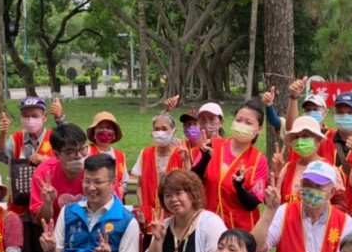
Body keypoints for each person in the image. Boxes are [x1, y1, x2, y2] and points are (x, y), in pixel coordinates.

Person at [191, 98, 269, 232]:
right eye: (238, 120)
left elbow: (252, 203)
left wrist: (239, 187)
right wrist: (204, 160)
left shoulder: (258, 160)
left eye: (248, 123)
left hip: (239, 232)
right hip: (208, 226)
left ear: (259, 129)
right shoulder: (213, 146)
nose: (242, 125)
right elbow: (192, 181)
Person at [131, 112, 187, 234]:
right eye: (157, 129)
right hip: (149, 218)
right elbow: (140, 186)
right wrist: (141, 209)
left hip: (174, 218)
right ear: (152, 133)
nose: (160, 132)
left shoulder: (181, 154)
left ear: (173, 132)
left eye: (164, 129)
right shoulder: (145, 153)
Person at [29, 123, 90, 224]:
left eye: (83, 148)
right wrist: (48, 203)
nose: (79, 156)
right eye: (70, 152)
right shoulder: (44, 173)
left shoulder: (98, 168)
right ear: (56, 154)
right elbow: (41, 221)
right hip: (57, 233)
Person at [271, 116, 337, 204]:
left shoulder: (330, 170)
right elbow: (273, 200)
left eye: (305, 136)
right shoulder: (287, 168)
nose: (300, 140)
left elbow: (341, 206)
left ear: (318, 139)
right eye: (296, 137)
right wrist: (276, 175)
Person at [0, 95, 61, 165]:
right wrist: (3, 133)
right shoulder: (17, 138)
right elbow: (1, 157)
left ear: (45, 116)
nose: (30, 120)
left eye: (34, 116)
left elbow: (67, 162)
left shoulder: (53, 137)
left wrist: (46, 160)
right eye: (25, 116)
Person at [89, 111, 128, 199]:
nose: (105, 130)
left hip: (115, 201)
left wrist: (123, 189)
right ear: (94, 132)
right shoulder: (87, 151)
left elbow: (124, 180)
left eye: (108, 127)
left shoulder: (120, 155)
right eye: (101, 127)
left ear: (114, 133)